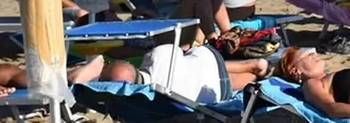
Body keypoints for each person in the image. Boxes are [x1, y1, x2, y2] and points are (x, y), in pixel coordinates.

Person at [100, 44, 272, 104]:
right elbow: (181, 49)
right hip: (211, 63)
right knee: (198, 61)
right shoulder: (157, 56)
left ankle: (257, 77)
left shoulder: (150, 99)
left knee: (204, 73)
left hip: (215, 91)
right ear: (132, 65)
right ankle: (253, 66)